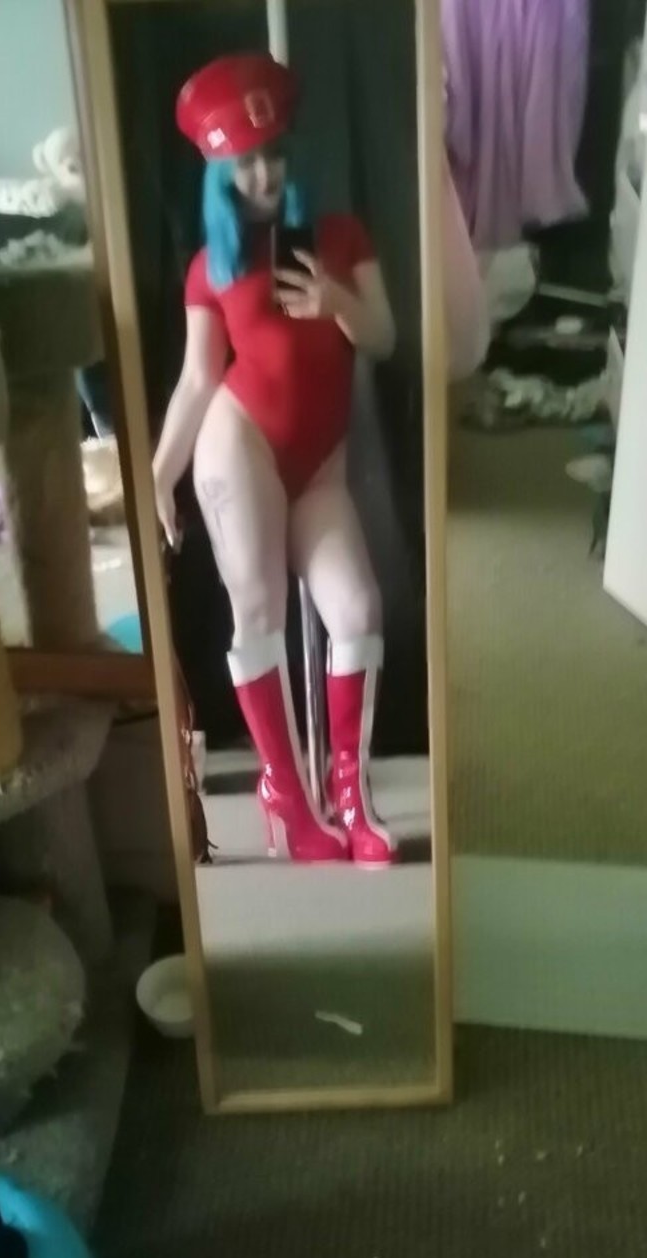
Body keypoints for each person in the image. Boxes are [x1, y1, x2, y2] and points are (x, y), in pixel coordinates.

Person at [152, 52, 398, 867]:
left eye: (274, 155)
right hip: (241, 440)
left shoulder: (340, 237)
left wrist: (336, 299)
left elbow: (385, 338)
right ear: (219, 172)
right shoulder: (209, 268)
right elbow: (197, 380)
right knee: (257, 610)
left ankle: (349, 797)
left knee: (357, 611)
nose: (263, 174)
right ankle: (288, 801)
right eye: (245, 162)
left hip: (320, 463)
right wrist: (156, 476)